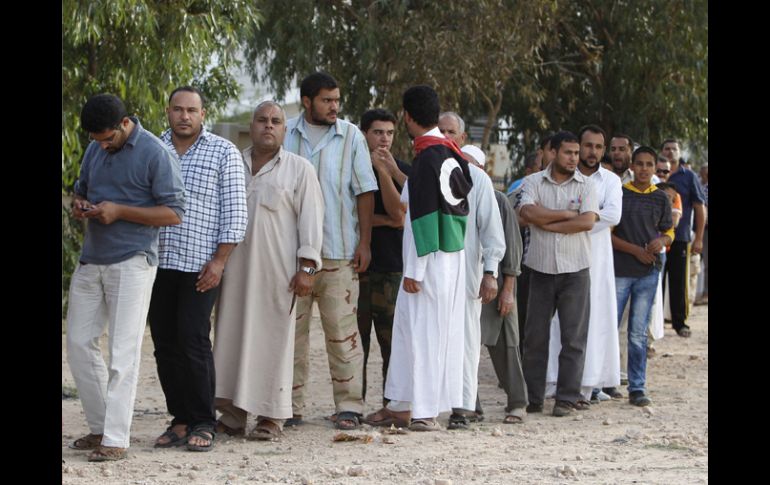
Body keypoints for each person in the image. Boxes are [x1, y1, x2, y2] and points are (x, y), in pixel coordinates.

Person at [66, 94, 185, 461]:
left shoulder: (155, 152)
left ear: (124, 124)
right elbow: (81, 189)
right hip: (92, 258)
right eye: (95, 140)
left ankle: (116, 440)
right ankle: (101, 426)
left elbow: (174, 213)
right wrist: (79, 205)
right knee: (77, 343)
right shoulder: (95, 149)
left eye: (106, 139)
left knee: (123, 352)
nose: (101, 145)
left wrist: (119, 212)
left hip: (133, 260)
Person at [213, 101, 324, 441]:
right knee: (229, 339)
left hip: (277, 274)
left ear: (284, 129)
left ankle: (271, 415)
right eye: (262, 120)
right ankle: (231, 415)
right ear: (252, 124)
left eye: (275, 121)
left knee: (272, 342)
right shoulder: (233, 163)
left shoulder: (299, 169)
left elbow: (311, 222)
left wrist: (307, 267)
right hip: (233, 273)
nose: (268, 126)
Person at [364, 85, 473, 431]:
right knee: (409, 332)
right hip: (450, 256)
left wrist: (416, 269)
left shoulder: (429, 157)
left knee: (425, 334)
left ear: (407, 117)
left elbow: (424, 213)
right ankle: (400, 403)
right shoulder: (449, 152)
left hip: (430, 259)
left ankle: (423, 411)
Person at [148, 86, 248, 452]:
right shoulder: (153, 148)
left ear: (203, 114)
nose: (184, 116)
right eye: (178, 109)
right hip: (156, 263)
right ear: (168, 110)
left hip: (199, 266)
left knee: (193, 340)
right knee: (164, 343)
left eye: (192, 110)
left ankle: (205, 421)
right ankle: (180, 419)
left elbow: (236, 213)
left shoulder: (223, 152)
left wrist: (219, 261)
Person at [284, 72, 378, 430]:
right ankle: (288, 406)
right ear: (307, 101)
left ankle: (350, 406)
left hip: (339, 253)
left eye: (337, 100)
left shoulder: (351, 135)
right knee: (292, 333)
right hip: (291, 255)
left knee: (343, 333)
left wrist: (365, 242)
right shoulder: (286, 132)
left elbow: (364, 191)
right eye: (326, 100)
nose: (334, 107)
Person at [518, 130, 599, 417]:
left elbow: (587, 221)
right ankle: (534, 398)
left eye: (576, 153)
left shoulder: (587, 186)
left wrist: (547, 221)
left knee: (573, 338)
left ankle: (566, 398)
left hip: (575, 270)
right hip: (539, 269)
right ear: (552, 152)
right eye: (568, 152)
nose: (574, 158)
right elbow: (528, 214)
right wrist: (565, 215)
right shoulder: (532, 182)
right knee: (534, 337)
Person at [545, 125, 622, 403]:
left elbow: (612, 215)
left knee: (595, 318)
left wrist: (575, 223)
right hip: (562, 256)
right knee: (559, 321)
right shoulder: (565, 178)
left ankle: (589, 384)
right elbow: (549, 209)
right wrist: (578, 219)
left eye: (598, 147)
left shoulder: (610, 181)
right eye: (587, 146)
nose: (592, 152)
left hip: (597, 259)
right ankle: (555, 381)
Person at [438, 114, 506, 428]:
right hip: (432, 274)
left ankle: (463, 408)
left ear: (462, 138)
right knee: (431, 338)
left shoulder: (478, 180)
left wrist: (490, 273)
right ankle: (426, 406)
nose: (446, 136)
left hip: (467, 274)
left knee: (465, 341)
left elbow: (492, 231)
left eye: (451, 131)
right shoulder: (427, 174)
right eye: (441, 131)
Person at [469, 146, 528, 424]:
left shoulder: (498, 200)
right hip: (466, 286)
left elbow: (512, 249)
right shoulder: (452, 198)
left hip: (497, 284)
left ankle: (517, 402)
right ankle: (471, 405)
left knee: (507, 346)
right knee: (466, 348)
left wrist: (508, 289)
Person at [356, 108, 411, 406]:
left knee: (392, 344)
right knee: (356, 343)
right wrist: (385, 220)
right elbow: (351, 217)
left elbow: (397, 215)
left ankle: (392, 404)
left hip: (392, 269)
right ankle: (353, 404)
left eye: (389, 133)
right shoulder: (353, 166)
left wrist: (385, 173)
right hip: (359, 268)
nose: (384, 138)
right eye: (378, 132)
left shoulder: (401, 170)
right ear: (364, 133)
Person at [612, 147, 674, 406]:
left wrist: (662, 241)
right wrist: (636, 251)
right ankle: (604, 382)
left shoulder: (661, 198)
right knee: (609, 328)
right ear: (632, 166)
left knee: (638, 332)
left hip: (649, 273)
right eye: (640, 164)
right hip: (620, 271)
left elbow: (668, 231)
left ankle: (637, 387)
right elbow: (609, 234)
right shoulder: (620, 194)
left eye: (649, 164)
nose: (644, 169)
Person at [660, 139, 706, 337]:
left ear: (679, 152)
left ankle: (680, 323)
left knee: (679, 281)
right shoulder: (655, 172)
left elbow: (699, 207)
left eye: (674, 149)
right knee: (656, 281)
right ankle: (656, 322)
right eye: (667, 149)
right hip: (655, 238)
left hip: (680, 237)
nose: (670, 152)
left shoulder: (688, 177)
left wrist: (699, 238)